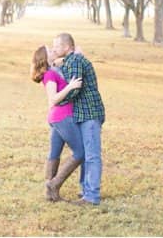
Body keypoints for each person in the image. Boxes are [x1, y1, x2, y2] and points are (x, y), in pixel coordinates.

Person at [52, 32, 105, 206]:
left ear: (67, 47)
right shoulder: (71, 60)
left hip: (89, 113)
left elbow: (74, 87)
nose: (54, 49)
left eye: (57, 46)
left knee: (91, 156)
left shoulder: (75, 60)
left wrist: (58, 101)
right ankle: (86, 190)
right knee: (86, 154)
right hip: (82, 113)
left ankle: (92, 196)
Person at [29, 45, 83, 202]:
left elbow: (66, 61)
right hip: (62, 117)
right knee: (80, 153)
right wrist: (71, 87)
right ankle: (54, 184)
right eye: (51, 51)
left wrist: (75, 55)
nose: (54, 51)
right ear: (46, 59)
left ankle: (50, 194)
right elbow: (53, 98)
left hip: (56, 117)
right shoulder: (49, 75)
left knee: (54, 153)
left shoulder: (54, 69)